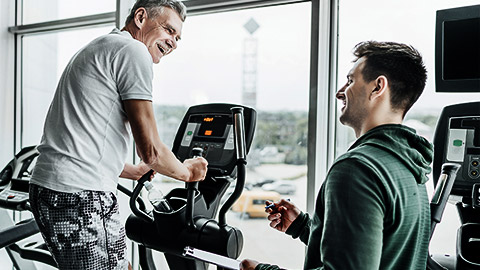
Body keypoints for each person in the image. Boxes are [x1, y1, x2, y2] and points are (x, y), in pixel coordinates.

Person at [28, 1, 208, 269]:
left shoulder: (99, 47)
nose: (173, 42)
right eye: (169, 30)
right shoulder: (133, 50)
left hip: (49, 189)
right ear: (140, 17)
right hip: (80, 195)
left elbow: (77, 141)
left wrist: (132, 171)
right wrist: (187, 172)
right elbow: (152, 151)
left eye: (177, 37)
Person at [241, 41, 433, 270]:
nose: (340, 92)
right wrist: (303, 227)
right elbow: (380, 254)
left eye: (351, 80)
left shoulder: (357, 169)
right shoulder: (408, 165)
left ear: (377, 87)